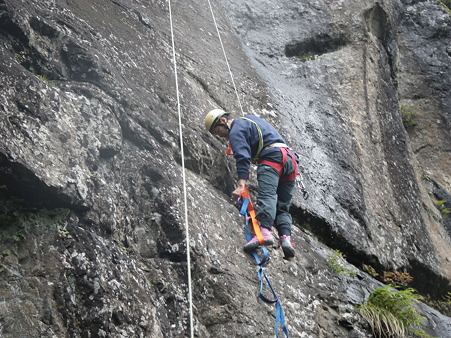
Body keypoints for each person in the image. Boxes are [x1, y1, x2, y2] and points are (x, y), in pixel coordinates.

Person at [204, 109, 298, 258]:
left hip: (272, 159)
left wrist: (241, 185)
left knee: (267, 196)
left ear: (223, 121)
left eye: (217, 131)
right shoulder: (249, 119)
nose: (219, 135)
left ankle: (265, 232)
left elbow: (242, 157)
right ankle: (285, 238)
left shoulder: (235, 131)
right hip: (290, 161)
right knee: (283, 206)